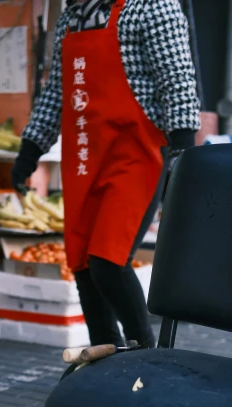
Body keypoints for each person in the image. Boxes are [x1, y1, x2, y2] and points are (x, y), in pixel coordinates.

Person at [12, 0, 200, 348]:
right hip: (85, 156)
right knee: (83, 267)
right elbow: (57, 92)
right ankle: (105, 356)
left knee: (108, 263)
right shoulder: (72, 16)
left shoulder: (151, 6)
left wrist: (183, 150)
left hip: (136, 155)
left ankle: (146, 353)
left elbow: (176, 78)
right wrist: (30, 150)